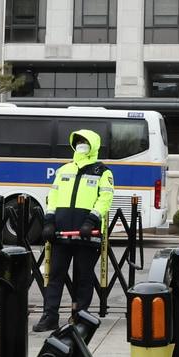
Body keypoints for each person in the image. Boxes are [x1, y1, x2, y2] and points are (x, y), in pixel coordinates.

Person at [36, 129, 114, 332]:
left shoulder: (103, 172)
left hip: (88, 233)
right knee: (55, 276)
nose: (81, 144)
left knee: (83, 277)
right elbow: (52, 198)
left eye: (85, 141)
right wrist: (49, 221)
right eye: (78, 141)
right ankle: (50, 316)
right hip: (61, 233)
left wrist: (91, 220)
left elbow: (105, 199)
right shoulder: (63, 170)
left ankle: (80, 316)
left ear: (94, 145)